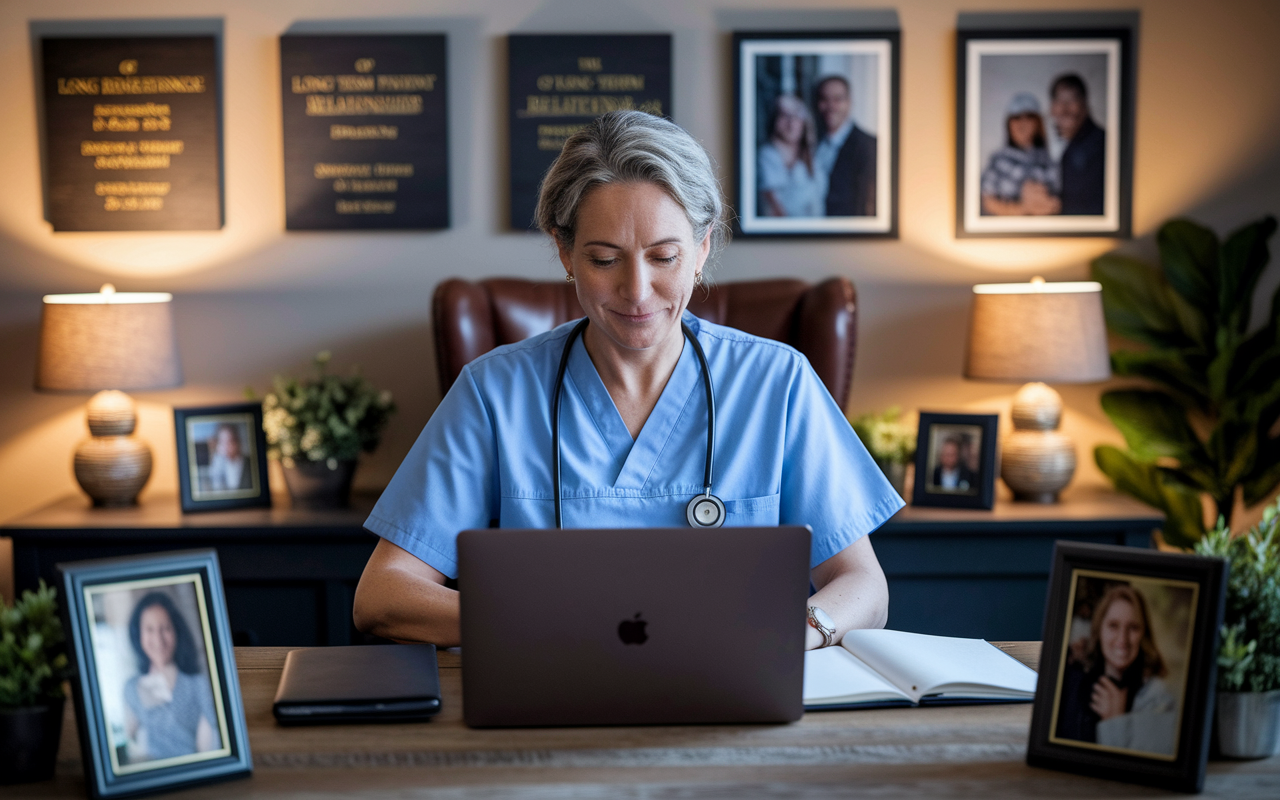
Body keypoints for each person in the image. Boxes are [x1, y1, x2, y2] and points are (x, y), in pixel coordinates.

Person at [354, 109, 903, 650]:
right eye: (604, 259)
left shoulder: (778, 382)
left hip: (733, 696)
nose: (637, 291)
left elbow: (863, 586)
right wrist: (545, 624)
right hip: (552, 703)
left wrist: (786, 633)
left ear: (702, 247)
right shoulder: (493, 392)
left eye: (664, 256)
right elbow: (383, 595)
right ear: (564, 251)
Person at [1054, 585, 1178, 756]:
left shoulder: (1158, 697)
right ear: (1099, 631)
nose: (1122, 639)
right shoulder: (1071, 681)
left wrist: (1116, 722)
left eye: (1133, 627)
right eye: (1113, 625)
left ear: (1144, 634)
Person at [123, 592, 221, 763]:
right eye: (149, 629)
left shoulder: (199, 685)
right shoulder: (131, 688)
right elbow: (129, 743)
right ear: (139, 635)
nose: (158, 639)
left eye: (165, 628)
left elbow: (207, 750)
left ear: (176, 631)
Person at [980, 92, 1060, 216]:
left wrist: (1047, 202)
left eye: (1029, 117)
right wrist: (1023, 209)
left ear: (1038, 124)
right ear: (1009, 124)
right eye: (1016, 117)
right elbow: (987, 203)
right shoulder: (998, 160)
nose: (1022, 124)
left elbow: (1059, 202)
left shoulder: (1049, 161)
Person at [813, 75, 876, 217]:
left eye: (837, 99)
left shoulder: (869, 146)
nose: (830, 106)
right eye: (824, 99)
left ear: (849, 102)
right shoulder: (811, 143)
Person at [757, 94, 826, 217]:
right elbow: (775, 209)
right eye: (784, 115)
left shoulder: (814, 156)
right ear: (775, 120)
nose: (791, 123)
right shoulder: (767, 156)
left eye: (796, 116)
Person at [1049, 73, 1105, 215]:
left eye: (1072, 100)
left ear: (1085, 104)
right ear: (1052, 108)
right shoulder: (1054, 143)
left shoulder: (1100, 144)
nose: (1065, 108)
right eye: (1059, 100)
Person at [199, 423, 252, 493]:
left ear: (237, 442)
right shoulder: (218, 465)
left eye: (228, 442)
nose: (225, 447)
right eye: (222, 442)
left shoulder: (250, 463)